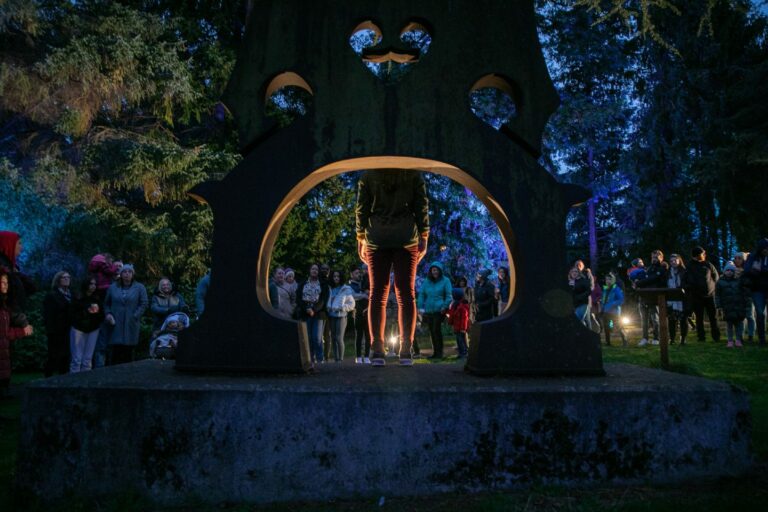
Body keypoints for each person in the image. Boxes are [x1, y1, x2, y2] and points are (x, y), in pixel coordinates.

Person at [355, 169, 429, 367]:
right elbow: (421, 205)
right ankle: (406, 350)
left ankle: (377, 350)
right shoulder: (413, 173)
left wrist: (361, 237)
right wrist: (424, 234)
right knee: (406, 294)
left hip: (377, 236)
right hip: (406, 236)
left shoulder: (368, 175)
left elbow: (362, 208)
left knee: (377, 294)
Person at [104, 264, 149, 365]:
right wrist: (108, 314)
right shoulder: (112, 287)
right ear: (121, 274)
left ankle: (128, 372)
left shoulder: (139, 287)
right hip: (116, 323)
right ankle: (114, 372)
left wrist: (135, 316)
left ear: (133, 274)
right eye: (124, 272)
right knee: (116, 352)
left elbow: (144, 303)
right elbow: (106, 303)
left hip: (131, 323)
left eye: (129, 272)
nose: (127, 274)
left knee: (128, 352)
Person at [0, 267, 33, 396]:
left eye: (6, 283)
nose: (5, 286)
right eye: (2, 283)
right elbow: (4, 333)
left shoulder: (5, 304)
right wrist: (22, 331)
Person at [683, 246, 721, 343]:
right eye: (703, 253)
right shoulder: (689, 266)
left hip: (710, 295)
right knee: (699, 318)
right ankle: (701, 337)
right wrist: (690, 288)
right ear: (697, 255)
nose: (705, 255)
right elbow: (686, 280)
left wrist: (713, 287)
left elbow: (716, 276)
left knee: (713, 317)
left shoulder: (708, 264)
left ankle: (716, 336)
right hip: (696, 296)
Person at [296, 263, 330, 364]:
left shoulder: (323, 284)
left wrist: (314, 310)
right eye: (313, 269)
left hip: (318, 313)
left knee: (317, 338)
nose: (314, 271)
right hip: (305, 312)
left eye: (316, 269)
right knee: (308, 338)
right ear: (309, 270)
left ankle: (320, 359)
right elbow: (298, 298)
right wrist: (306, 308)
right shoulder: (303, 283)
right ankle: (310, 359)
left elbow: (323, 300)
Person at [417, 262, 453, 359]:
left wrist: (444, 306)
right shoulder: (427, 281)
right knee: (432, 331)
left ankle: (439, 352)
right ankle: (435, 353)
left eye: (436, 270)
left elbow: (449, 295)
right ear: (430, 271)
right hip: (429, 310)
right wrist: (420, 307)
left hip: (439, 310)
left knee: (436, 330)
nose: (435, 272)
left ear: (440, 271)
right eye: (433, 270)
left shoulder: (446, 281)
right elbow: (422, 294)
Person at [69, 275, 104, 372]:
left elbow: (101, 314)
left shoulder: (96, 298)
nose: (93, 286)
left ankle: (86, 379)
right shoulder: (77, 297)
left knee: (88, 359)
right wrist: (86, 312)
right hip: (78, 329)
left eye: (95, 284)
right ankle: (74, 378)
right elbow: (72, 313)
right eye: (91, 284)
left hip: (93, 329)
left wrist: (95, 316)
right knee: (76, 359)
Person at [634, 250, 669, 346]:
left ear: (661, 258)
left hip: (655, 297)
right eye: (653, 257)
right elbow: (646, 279)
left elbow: (652, 279)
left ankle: (656, 338)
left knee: (655, 319)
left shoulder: (662, 268)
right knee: (644, 319)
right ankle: (645, 338)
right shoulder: (649, 268)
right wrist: (637, 282)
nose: (654, 259)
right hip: (645, 296)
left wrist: (638, 283)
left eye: (656, 257)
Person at [43, 271, 73, 377]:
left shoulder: (71, 295)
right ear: (58, 280)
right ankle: (47, 378)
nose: (67, 279)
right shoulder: (52, 295)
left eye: (68, 277)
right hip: (56, 331)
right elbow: (48, 315)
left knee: (65, 356)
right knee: (53, 356)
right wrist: (51, 331)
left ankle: (63, 378)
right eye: (64, 277)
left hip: (68, 329)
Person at [0, 231, 36, 313]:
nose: (21, 247)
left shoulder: (11, 267)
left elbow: (30, 288)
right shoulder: (3, 268)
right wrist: (18, 317)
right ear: (8, 244)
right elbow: (7, 299)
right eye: (19, 243)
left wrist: (17, 273)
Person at [716, 262, 749, 348]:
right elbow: (717, 295)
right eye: (727, 270)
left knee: (739, 325)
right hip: (727, 307)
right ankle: (730, 340)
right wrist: (719, 306)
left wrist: (745, 304)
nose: (729, 272)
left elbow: (744, 291)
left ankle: (738, 340)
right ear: (724, 271)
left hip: (738, 306)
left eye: (731, 270)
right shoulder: (720, 282)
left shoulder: (739, 281)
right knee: (729, 325)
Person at [743, 238, 768, 346]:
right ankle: (762, 339)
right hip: (757, 289)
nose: (766, 250)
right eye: (765, 248)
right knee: (760, 313)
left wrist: (759, 270)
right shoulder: (752, 257)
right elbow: (747, 269)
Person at [326, 270, 356, 362]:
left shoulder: (346, 289)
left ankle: (341, 360)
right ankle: (336, 359)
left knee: (339, 338)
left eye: (338, 276)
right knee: (333, 338)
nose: (336, 278)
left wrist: (342, 308)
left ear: (341, 278)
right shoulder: (330, 289)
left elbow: (352, 304)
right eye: (334, 276)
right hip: (331, 316)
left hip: (341, 316)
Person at [348, 266, 371, 364]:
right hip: (357, 312)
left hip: (367, 312)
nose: (358, 275)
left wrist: (367, 294)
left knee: (368, 334)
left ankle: (367, 356)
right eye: (356, 273)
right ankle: (358, 357)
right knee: (359, 335)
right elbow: (353, 296)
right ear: (351, 275)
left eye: (359, 273)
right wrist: (364, 295)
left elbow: (370, 294)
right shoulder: (350, 286)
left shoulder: (364, 282)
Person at [666, 254, 689, 345]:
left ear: (679, 261)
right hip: (671, 299)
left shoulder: (684, 271)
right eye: (671, 261)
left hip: (682, 299)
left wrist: (682, 288)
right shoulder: (668, 272)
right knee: (672, 320)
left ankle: (683, 338)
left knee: (683, 320)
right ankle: (672, 339)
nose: (673, 262)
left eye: (675, 260)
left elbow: (688, 283)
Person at [732, 252, 754, 343]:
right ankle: (740, 336)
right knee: (740, 318)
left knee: (750, 316)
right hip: (738, 298)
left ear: (744, 259)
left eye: (739, 258)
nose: (737, 260)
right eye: (735, 258)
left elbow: (751, 283)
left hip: (748, 297)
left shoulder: (749, 270)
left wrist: (742, 275)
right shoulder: (732, 270)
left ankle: (751, 335)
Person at [600, 272, 627, 347]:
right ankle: (608, 342)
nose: (608, 281)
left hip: (614, 312)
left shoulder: (616, 289)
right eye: (606, 279)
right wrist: (602, 306)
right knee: (606, 327)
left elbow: (621, 300)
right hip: (606, 311)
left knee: (619, 326)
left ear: (613, 280)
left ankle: (625, 341)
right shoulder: (605, 289)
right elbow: (603, 300)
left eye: (609, 279)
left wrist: (612, 303)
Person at [447, 288, 471, 358]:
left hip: (461, 327)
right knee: (458, 340)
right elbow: (452, 314)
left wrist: (463, 328)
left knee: (461, 340)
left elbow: (464, 318)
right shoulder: (454, 305)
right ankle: (461, 353)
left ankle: (464, 352)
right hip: (456, 326)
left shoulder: (462, 306)